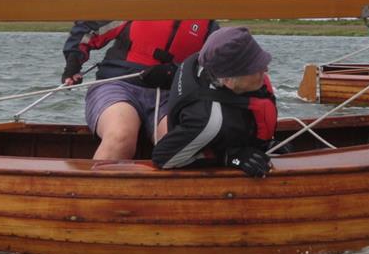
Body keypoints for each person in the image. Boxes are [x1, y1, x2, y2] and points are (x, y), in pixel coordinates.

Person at [62, 19, 218, 160]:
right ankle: (93, 190)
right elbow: (88, 28)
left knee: (179, 145)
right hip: (118, 84)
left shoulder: (209, 26)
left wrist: (174, 71)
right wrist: (73, 63)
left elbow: (213, 70)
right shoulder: (137, 5)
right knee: (120, 135)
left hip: (171, 96)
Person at [152, 27, 277, 178]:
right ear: (228, 80)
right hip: (204, 136)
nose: (266, 69)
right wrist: (228, 157)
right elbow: (162, 158)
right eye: (255, 68)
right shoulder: (209, 121)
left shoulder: (206, 58)